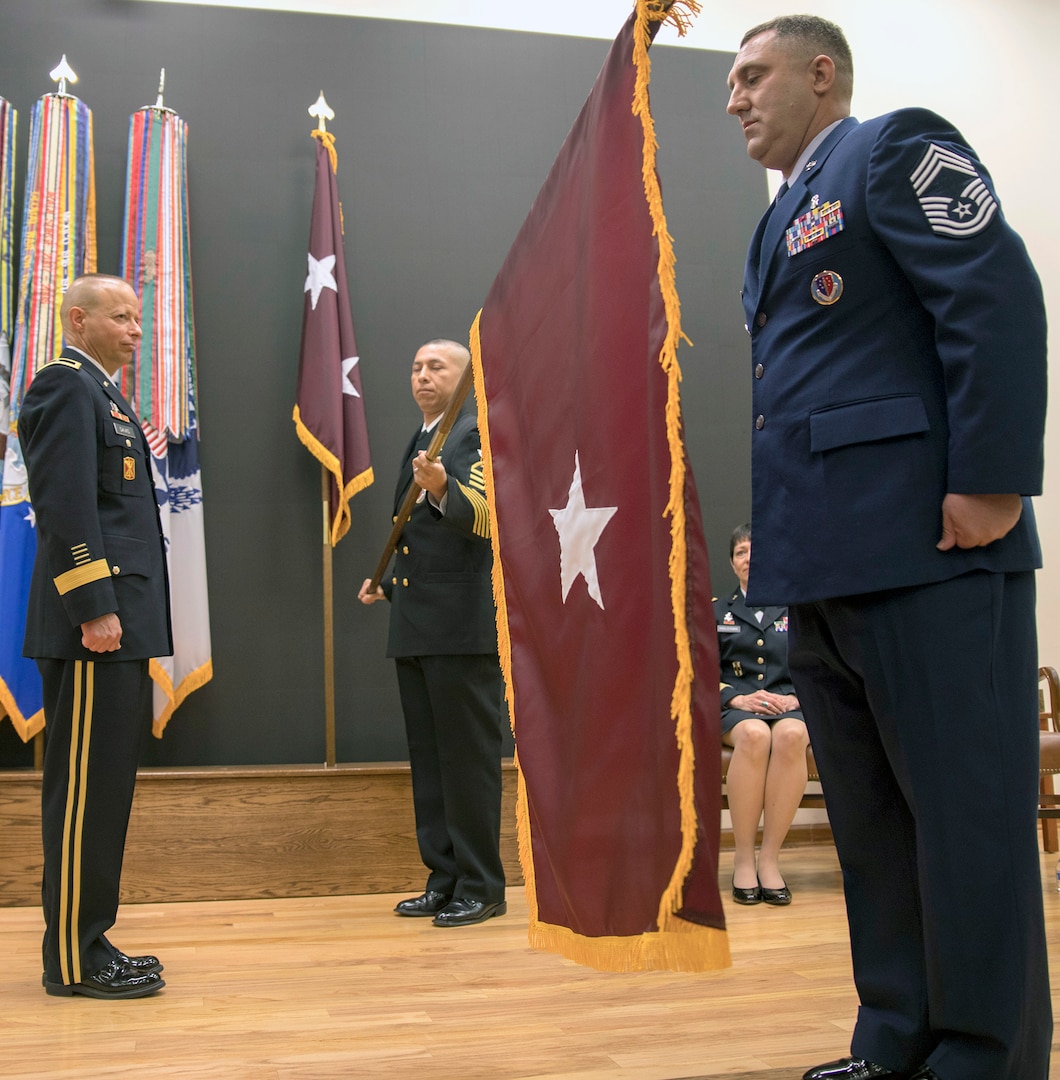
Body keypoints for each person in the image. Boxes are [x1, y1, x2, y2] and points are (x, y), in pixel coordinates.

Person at [725, 15, 1050, 1080]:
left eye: (752, 75)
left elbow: (994, 300)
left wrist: (990, 478)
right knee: (873, 826)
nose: (733, 98)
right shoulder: (778, 220)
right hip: (827, 561)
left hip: (932, 546)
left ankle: (981, 1052)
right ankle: (896, 1035)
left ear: (822, 75)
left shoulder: (895, 147)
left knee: (966, 819)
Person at [20, 273, 172, 998]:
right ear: (78, 320)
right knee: (83, 792)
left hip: (120, 623)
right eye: (121, 316)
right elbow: (67, 505)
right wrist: (91, 605)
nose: (136, 330)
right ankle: (74, 962)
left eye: (139, 318)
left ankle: (91, 939)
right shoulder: (64, 385)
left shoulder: (104, 393)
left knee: (105, 791)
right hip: (94, 627)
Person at [358, 338, 507, 927]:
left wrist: (444, 487)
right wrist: (391, 588)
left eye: (437, 366)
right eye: (416, 366)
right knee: (431, 762)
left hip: (461, 628)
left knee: (467, 762)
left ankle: (481, 884)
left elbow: (493, 518)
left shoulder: (475, 431)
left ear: (466, 377)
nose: (422, 375)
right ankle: (443, 877)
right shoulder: (422, 439)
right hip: (418, 624)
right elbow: (427, 546)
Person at [716, 523, 807, 907]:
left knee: (791, 736)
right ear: (732, 563)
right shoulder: (717, 610)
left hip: (788, 705)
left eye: (756, 550)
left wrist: (798, 699)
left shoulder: (799, 608)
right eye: (740, 552)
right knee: (755, 735)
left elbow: (818, 664)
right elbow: (694, 670)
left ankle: (769, 860)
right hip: (735, 710)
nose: (749, 558)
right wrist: (735, 699)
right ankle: (742, 860)